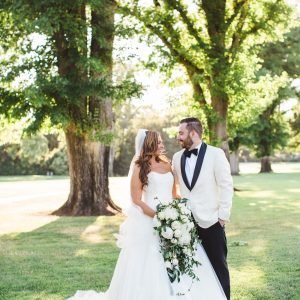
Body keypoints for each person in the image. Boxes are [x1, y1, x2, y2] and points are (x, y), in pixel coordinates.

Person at [67, 129, 226, 300]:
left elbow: (174, 193)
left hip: (174, 220)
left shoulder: (167, 164)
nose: (162, 144)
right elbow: (137, 200)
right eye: (158, 142)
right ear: (149, 144)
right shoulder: (139, 166)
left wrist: (179, 213)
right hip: (151, 221)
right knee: (150, 262)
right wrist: (160, 215)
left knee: (180, 258)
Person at [172, 117, 233, 299]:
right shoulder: (176, 158)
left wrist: (222, 216)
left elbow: (226, 185)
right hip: (186, 224)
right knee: (192, 268)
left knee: (218, 267)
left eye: (181, 133)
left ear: (193, 133)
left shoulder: (215, 154)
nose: (178, 137)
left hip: (212, 221)